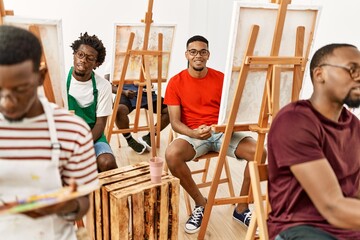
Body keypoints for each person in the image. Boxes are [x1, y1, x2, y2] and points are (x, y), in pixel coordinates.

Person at [0, 25, 99, 239]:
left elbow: (83, 203)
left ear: (40, 75)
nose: (7, 103)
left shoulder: (72, 132)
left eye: (19, 89)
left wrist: (62, 205)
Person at [164, 35, 267, 234]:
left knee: (260, 153)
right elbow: (175, 122)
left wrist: (226, 126)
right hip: (193, 134)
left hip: (221, 131)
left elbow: (234, 111)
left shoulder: (222, 79)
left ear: (208, 55)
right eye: (193, 51)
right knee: (171, 155)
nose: (198, 56)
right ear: (187, 54)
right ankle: (201, 203)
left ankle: (242, 207)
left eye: (203, 51)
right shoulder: (176, 82)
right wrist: (193, 132)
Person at [267, 43, 360, 240]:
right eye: (352, 69)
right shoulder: (294, 121)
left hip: (348, 225)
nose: (359, 76)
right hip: (301, 229)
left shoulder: (353, 125)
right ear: (320, 75)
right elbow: (332, 207)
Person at [67, 32, 118, 172]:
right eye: (80, 54)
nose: (83, 60)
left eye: (90, 58)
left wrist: (82, 146)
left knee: (107, 162)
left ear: (97, 63)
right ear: (74, 54)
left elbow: (100, 124)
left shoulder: (103, 86)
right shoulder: (60, 81)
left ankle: (111, 192)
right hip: (65, 140)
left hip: (93, 137)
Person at [110, 82, 170, 154]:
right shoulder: (113, 70)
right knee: (118, 111)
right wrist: (124, 92)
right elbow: (108, 85)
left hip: (146, 93)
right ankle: (129, 140)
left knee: (171, 110)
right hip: (125, 94)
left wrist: (150, 85)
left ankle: (150, 136)